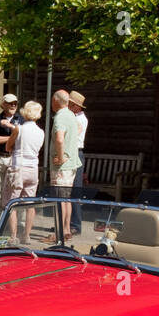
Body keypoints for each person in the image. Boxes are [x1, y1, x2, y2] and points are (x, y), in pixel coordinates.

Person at [3, 100, 45, 242]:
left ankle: (13, 236)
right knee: (30, 204)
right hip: (33, 168)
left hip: (18, 167)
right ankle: (26, 235)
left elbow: (8, 146)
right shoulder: (41, 132)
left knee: (12, 203)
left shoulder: (18, 128)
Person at [50, 90, 79, 241]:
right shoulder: (71, 115)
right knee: (66, 198)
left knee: (59, 199)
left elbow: (59, 139)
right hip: (72, 163)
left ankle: (59, 233)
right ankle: (66, 229)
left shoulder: (60, 116)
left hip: (62, 166)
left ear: (55, 100)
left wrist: (60, 157)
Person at [0, 93, 20, 212]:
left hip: (14, 158)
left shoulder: (21, 119)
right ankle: (1, 224)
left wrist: (12, 128)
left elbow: (24, 137)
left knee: (13, 192)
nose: (13, 105)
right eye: (10, 103)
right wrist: (12, 138)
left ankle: (12, 223)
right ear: (3, 105)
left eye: (15, 103)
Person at [68, 91, 88, 233]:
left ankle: (75, 224)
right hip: (74, 152)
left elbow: (73, 136)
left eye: (70, 104)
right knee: (68, 190)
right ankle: (67, 222)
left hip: (76, 152)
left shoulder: (79, 119)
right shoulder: (75, 117)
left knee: (75, 189)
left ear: (75, 106)